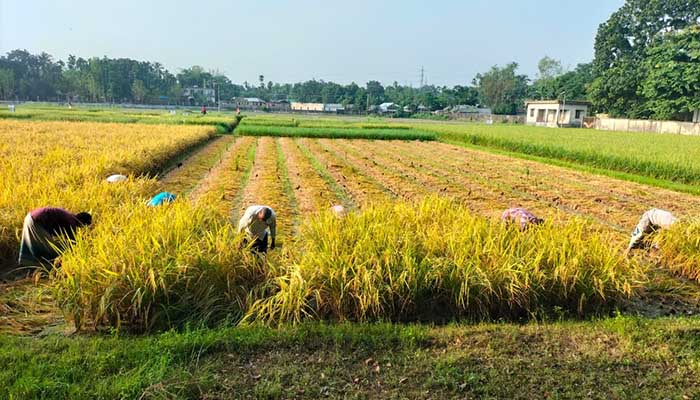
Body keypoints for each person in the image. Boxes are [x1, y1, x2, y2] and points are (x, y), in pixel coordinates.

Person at [18, 207, 92, 267]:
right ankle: (44, 266)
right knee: (47, 246)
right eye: (83, 226)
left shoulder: (69, 216)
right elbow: (72, 243)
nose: (81, 228)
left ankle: (26, 263)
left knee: (31, 242)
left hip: (30, 217)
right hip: (37, 221)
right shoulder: (71, 222)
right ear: (82, 222)